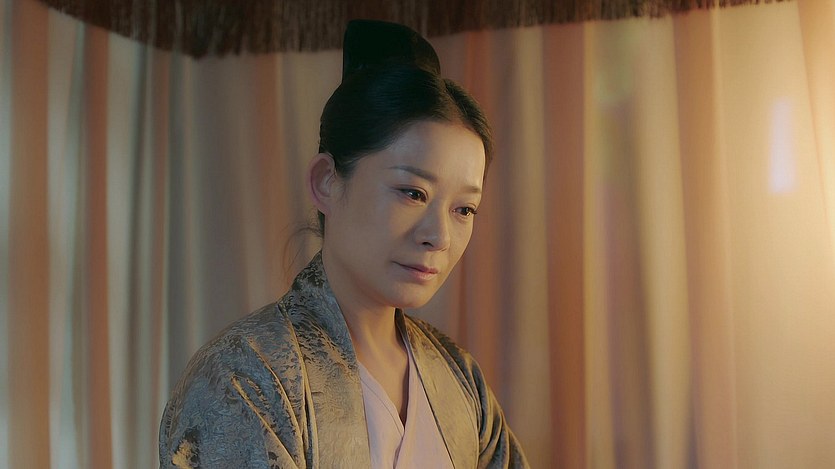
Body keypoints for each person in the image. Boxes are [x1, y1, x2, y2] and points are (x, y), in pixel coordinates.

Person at [159, 19, 529, 468]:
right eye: (413, 193)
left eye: (464, 209)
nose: (439, 236)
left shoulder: (460, 378)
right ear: (327, 182)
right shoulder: (244, 377)